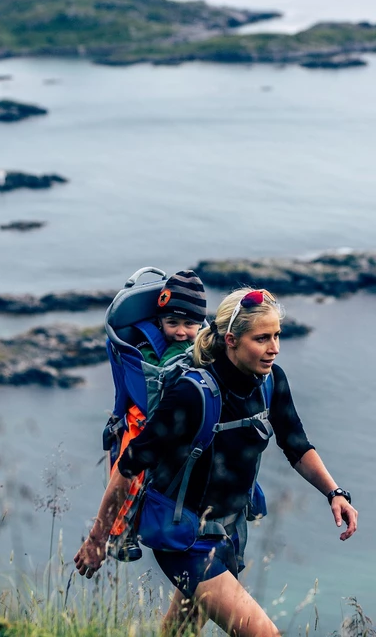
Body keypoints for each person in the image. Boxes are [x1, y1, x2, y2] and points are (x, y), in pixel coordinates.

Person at [75, 287, 358, 636]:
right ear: (231, 340)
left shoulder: (271, 382)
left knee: (180, 633)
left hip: (228, 532)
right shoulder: (192, 394)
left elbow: (296, 444)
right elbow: (131, 464)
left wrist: (335, 493)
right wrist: (97, 539)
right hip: (184, 540)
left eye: (277, 336)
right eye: (262, 338)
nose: (275, 348)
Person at [107, 270, 207, 561]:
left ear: (201, 323)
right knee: (131, 469)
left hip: (189, 415)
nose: (180, 331)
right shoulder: (148, 350)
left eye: (189, 324)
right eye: (171, 322)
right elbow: (157, 377)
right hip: (148, 415)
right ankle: (118, 532)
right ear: (159, 321)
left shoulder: (203, 343)